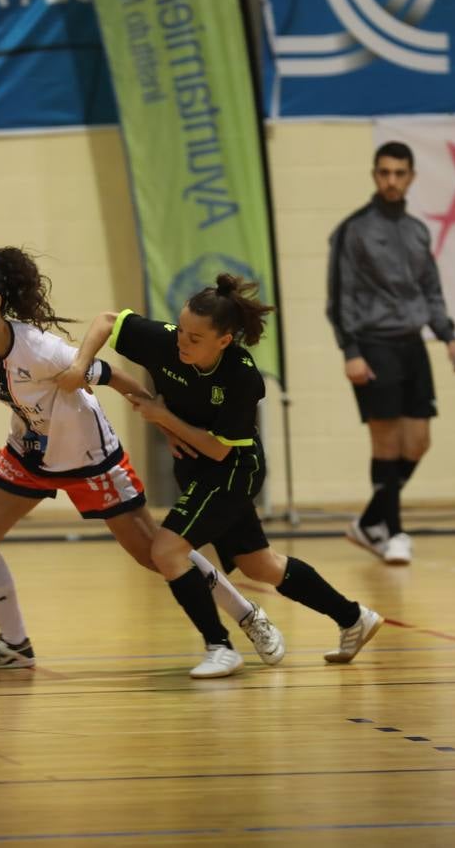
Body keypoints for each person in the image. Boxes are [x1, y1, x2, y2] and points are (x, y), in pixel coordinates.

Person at [0, 247, 283, 676]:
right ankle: (14, 645)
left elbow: (112, 375)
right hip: (30, 452)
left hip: (90, 459)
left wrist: (163, 423)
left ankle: (247, 615)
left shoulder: (39, 350)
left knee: (156, 554)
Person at [60, 274, 384, 679]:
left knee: (166, 551)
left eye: (195, 338)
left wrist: (165, 418)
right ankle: (353, 617)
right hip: (197, 466)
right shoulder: (166, 342)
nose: (182, 342)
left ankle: (220, 646)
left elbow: (219, 449)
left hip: (231, 470)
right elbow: (108, 321)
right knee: (260, 565)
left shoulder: (241, 376)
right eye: (181, 331)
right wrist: (80, 363)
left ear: (224, 341)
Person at [326, 140, 455, 565]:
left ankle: (369, 520)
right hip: (372, 344)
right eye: (384, 172)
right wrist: (350, 350)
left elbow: (431, 290)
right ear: (375, 175)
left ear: (411, 177)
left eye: (399, 173)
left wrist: (449, 338)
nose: (391, 180)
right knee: (386, 441)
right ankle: (394, 531)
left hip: (412, 345)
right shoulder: (353, 229)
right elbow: (341, 295)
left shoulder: (417, 230)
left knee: (418, 441)